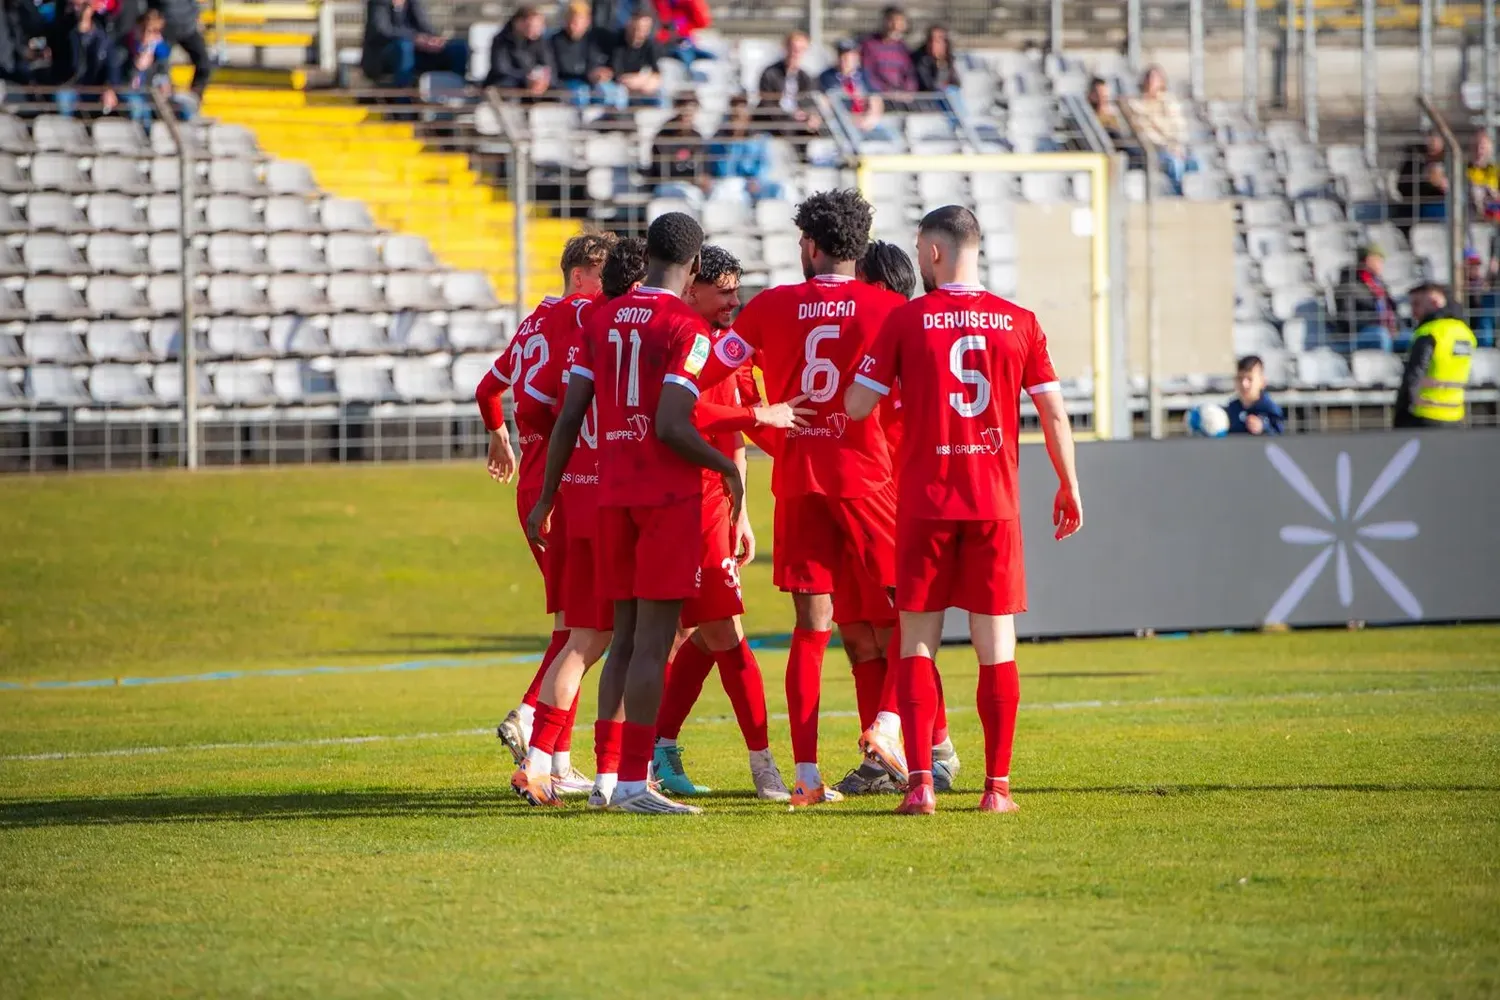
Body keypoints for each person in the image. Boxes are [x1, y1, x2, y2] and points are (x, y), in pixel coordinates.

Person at [844, 204, 1082, 815]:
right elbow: (1054, 412)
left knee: (917, 643)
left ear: (930, 252)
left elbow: (857, 406)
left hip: (925, 503)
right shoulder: (1020, 322)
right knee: (995, 645)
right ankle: (996, 791)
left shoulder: (907, 321)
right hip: (994, 504)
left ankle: (921, 784)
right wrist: (1068, 484)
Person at [691, 189, 909, 805]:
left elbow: (695, 384)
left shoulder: (769, 308)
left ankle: (808, 778)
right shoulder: (888, 309)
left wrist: (752, 411)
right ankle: (893, 730)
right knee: (910, 615)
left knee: (812, 628)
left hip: (800, 479)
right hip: (869, 479)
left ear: (810, 245)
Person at [528, 212, 744, 815]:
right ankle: (630, 783)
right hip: (664, 501)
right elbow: (672, 425)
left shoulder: (599, 317)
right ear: (696, 265)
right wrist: (725, 468)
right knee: (653, 643)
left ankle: (605, 781)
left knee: (621, 639)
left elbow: (568, 416)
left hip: (608, 496)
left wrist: (546, 496)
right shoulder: (685, 324)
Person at [650, 244, 808, 801]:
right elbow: (679, 414)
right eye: (724, 291)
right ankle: (763, 767)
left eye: (738, 290)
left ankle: (652, 748)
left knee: (693, 632)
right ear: (692, 288)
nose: (734, 301)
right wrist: (757, 416)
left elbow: (744, 434)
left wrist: (745, 510)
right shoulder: (683, 342)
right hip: (681, 503)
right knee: (719, 635)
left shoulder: (728, 348)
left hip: (713, 504)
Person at [481, 233, 615, 772]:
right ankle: (532, 716)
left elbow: (487, 388)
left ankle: (558, 759)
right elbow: (563, 400)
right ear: (581, 275)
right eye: (604, 275)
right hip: (566, 483)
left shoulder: (536, 321)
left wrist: (500, 435)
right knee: (585, 626)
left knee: (572, 622)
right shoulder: (583, 317)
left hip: (535, 483)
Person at [1394, 282, 1477, 428]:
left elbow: (1413, 377)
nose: (1413, 312)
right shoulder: (1466, 333)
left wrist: (1400, 415)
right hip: (1456, 415)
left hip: (1425, 417)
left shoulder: (1429, 332)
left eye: (1417, 304)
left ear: (1435, 302)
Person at [360, 0, 469, 89]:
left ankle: (456, 95)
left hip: (416, 53)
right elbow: (382, 30)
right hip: (385, 56)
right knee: (404, 46)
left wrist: (433, 39)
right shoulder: (378, 2)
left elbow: (425, 26)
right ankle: (403, 102)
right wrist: (415, 38)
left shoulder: (413, 2)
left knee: (457, 48)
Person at [1127, 65, 1195, 195]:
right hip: (1153, 149)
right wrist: (1166, 144)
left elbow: (1178, 127)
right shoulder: (1136, 105)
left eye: (1156, 79)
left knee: (1193, 163)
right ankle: (1177, 197)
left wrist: (1175, 145)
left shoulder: (1169, 102)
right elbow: (1145, 132)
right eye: (1150, 78)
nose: (1152, 82)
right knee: (1173, 163)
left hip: (1173, 146)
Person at [708, 95, 783, 202]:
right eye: (735, 117)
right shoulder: (719, 142)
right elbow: (724, 171)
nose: (738, 121)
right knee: (729, 190)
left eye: (741, 116)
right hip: (729, 184)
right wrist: (733, 142)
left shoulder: (759, 140)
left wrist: (756, 181)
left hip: (754, 183)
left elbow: (764, 165)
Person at [47, 0, 114, 117]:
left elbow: (111, 64)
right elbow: (62, 60)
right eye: (74, 5)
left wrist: (109, 86)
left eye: (84, 5)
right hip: (68, 84)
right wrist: (78, 32)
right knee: (62, 99)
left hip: (94, 86)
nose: (79, 10)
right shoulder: (62, 30)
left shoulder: (102, 33)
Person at [820, 40, 895, 143]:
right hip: (841, 122)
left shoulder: (864, 75)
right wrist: (850, 120)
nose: (846, 60)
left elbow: (875, 100)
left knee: (890, 134)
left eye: (851, 56)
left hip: (865, 120)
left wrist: (869, 119)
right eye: (843, 55)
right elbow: (826, 104)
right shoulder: (827, 77)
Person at [756, 30, 823, 139]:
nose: (796, 53)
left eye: (801, 50)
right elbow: (767, 105)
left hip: (798, 126)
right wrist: (791, 115)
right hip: (774, 124)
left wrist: (811, 116)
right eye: (793, 48)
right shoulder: (770, 73)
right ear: (786, 48)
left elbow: (809, 103)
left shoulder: (805, 77)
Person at [1334, 244, 1400, 352]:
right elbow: (1346, 318)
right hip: (1359, 333)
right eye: (1377, 260)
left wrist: (1396, 327)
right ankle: (1386, 366)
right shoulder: (1349, 285)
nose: (1381, 265)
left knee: (1413, 337)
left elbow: (1392, 310)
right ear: (1367, 261)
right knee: (1381, 336)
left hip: (1386, 330)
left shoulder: (1380, 285)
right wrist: (1375, 322)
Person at [551, 2, 615, 107]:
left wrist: (604, 72)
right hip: (568, 82)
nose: (573, 25)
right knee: (581, 93)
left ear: (587, 21)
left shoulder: (594, 39)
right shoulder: (556, 40)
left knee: (613, 92)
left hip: (594, 80)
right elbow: (563, 68)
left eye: (578, 20)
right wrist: (588, 75)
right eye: (571, 20)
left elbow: (600, 61)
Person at [650, 94, 710, 203]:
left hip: (691, 187)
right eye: (684, 109)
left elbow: (701, 168)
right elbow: (662, 170)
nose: (687, 114)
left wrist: (702, 179)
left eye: (691, 111)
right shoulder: (663, 136)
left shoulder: (696, 137)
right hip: (667, 184)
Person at [485, 6, 552, 95]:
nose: (537, 30)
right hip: (508, 83)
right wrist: (526, 78)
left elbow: (548, 65)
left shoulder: (540, 41)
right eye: (531, 26)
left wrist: (542, 80)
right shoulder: (501, 41)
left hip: (535, 84)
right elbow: (501, 69)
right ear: (518, 23)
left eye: (539, 26)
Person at [609, 10, 665, 107]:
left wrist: (644, 80)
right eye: (636, 28)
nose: (638, 32)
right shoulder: (617, 43)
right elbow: (618, 75)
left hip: (641, 83)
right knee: (618, 93)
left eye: (644, 29)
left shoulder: (650, 45)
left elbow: (656, 73)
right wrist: (638, 81)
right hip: (619, 85)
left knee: (661, 92)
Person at [859, 5, 916, 96]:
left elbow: (909, 74)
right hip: (881, 97)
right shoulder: (870, 45)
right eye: (892, 21)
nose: (895, 26)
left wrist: (908, 91)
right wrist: (886, 92)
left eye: (899, 22)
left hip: (902, 97)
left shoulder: (902, 47)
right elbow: (868, 75)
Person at [911, 24, 962, 119]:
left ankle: (961, 121)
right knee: (946, 93)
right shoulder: (921, 60)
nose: (935, 43)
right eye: (932, 40)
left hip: (946, 97)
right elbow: (929, 85)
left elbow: (956, 83)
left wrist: (941, 62)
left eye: (939, 40)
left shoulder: (948, 59)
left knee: (952, 92)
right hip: (927, 100)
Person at [1224, 355, 1285, 435]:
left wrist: (1263, 428)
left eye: (1250, 379)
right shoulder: (1232, 408)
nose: (1244, 384)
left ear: (1262, 381)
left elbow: (1280, 436)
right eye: (1240, 378)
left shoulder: (1269, 408)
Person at [1398, 134, 1449, 223]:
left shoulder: (1451, 160)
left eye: (1436, 139)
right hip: (1417, 210)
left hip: (1444, 210)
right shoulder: (1414, 159)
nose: (1432, 142)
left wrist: (1445, 186)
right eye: (1430, 138)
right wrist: (1426, 182)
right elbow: (1402, 187)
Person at [652, 0, 713, 71]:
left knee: (713, 58)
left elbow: (703, 22)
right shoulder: (658, 3)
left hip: (686, 43)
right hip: (665, 44)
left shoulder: (685, 3)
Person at [1464, 248, 1499, 347]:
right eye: (1471, 265)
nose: (1475, 268)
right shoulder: (1461, 285)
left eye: (1476, 265)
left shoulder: (1480, 283)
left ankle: (1486, 342)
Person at [1466, 131, 1500, 222]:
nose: (1478, 151)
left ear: (1489, 150)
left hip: (1494, 216)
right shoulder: (1463, 170)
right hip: (1470, 217)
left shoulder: (1495, 171)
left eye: (1482, 148)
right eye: (1475, 147)